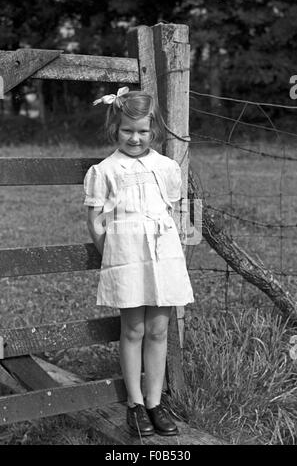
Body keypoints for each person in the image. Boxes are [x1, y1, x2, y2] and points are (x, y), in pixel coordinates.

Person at [83, 87, 194, 437]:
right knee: (133, 330)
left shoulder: (168, 167)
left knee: (159, 329)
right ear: (115, 129)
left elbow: (183, 213)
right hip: (126, 258)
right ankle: (134, 404)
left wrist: (181, 251)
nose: (135, 137)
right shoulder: (105, 171)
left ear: (155, 130)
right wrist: (116, 256)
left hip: (164, 257)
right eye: (127, 130)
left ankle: (155, 401)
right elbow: (96, 224)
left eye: (143, 131)